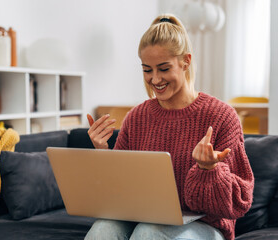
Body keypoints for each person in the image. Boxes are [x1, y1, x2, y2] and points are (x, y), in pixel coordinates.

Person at [85, 13, 254, 240]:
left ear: (186, 61)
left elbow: (240, 200)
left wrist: (209, 170)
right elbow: (120, 191)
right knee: (102, 230)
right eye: (147, 70)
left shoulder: (222, 116)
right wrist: (102, 152)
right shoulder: (137, 116)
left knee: (149, 234)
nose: (155, 80)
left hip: (206, 224)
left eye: (163, 69)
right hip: (144, 217)